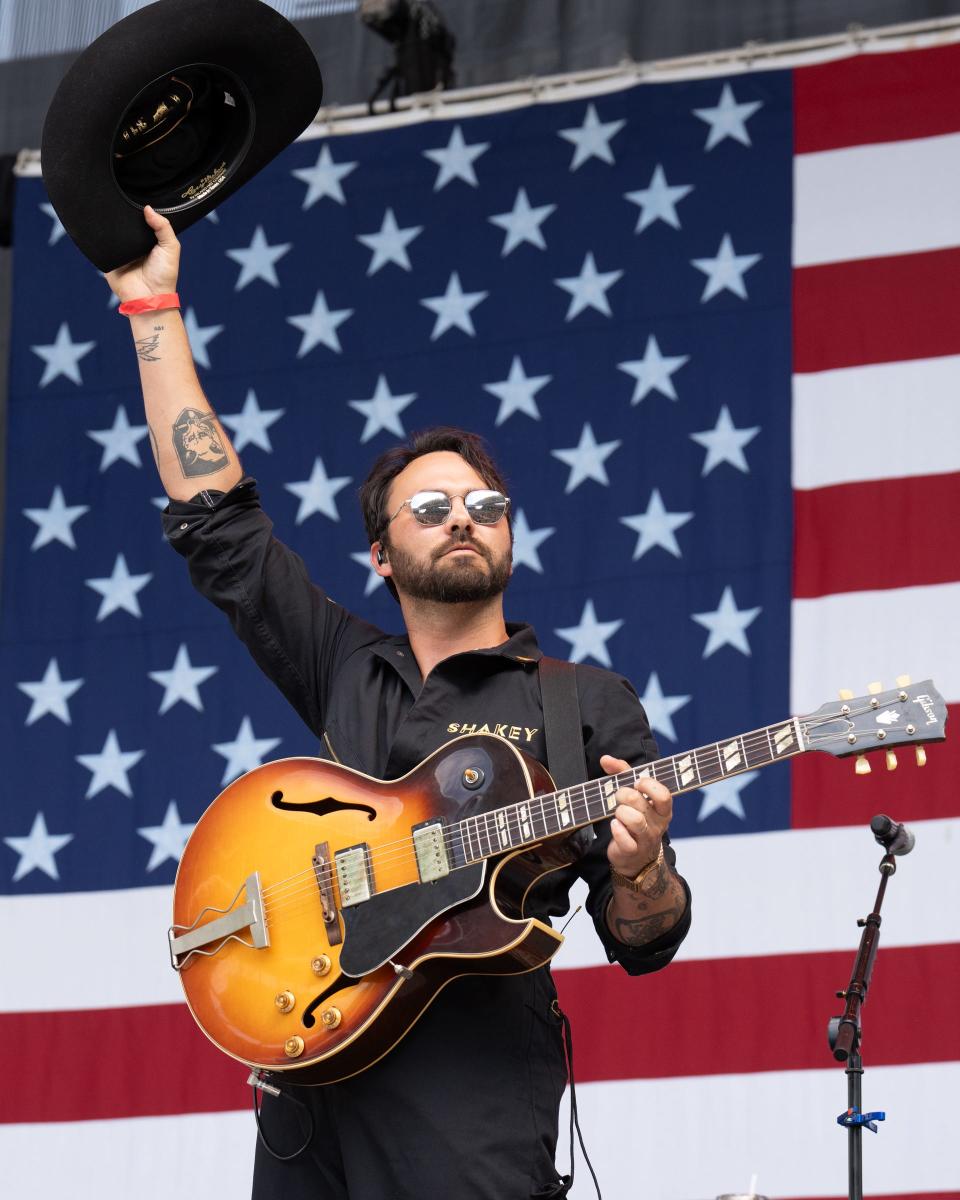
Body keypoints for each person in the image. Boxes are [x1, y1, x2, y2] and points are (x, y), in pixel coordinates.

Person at [106, 206, 692, 1200]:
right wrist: (148, 303)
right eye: (430, 508)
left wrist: (642, 872)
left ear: (510, 539)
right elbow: (219, 527)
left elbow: (646, 939)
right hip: (312, 1059)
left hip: (472, 1095)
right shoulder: (343, 659)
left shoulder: (584, 704)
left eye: (486, 506)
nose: (464, 516)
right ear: (382, 553)